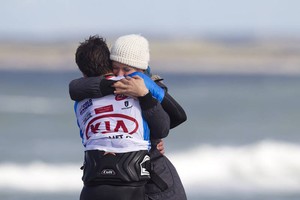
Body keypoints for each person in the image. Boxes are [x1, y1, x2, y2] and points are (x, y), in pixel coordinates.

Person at [69, 34, 187, 200]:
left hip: (157, 178)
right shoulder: (103, 86)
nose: (121, 74)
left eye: (127, 70)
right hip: (124, 177)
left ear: (141, 70)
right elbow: (75, 88)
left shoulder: (149, 85)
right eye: (115, 67)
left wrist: (155, 136)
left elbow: (178, 116)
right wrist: (111, 86)